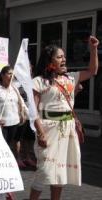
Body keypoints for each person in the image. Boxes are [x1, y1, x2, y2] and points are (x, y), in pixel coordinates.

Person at [29, 36, 99, 200]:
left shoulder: (71, 78)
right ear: (49, 60)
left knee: (60, 172)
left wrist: (94, 49)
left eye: (64, 56)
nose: (64, 59)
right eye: (59, 56)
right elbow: (33, 111)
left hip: (68, 130)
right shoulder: (39, 81)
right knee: (44, 170)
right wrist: (40, 133)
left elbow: (92, 71)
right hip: (48, 129)